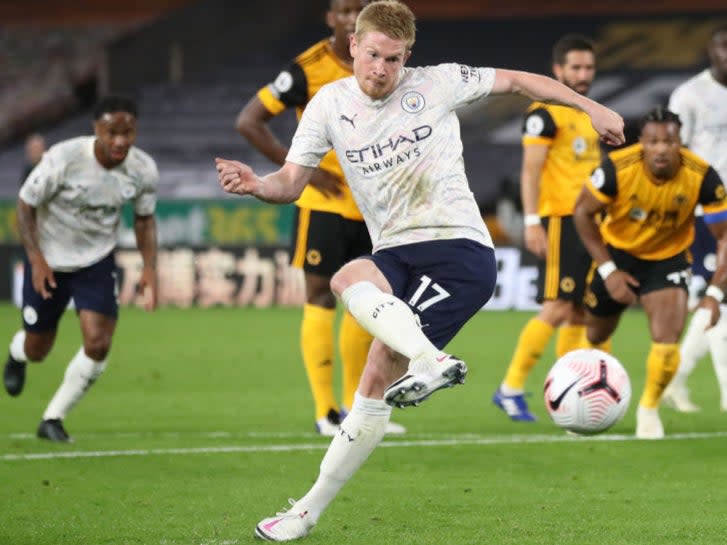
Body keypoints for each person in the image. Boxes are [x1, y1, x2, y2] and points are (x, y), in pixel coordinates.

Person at [216, 1, 624, 540]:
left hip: (459, 253)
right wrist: (256, 184)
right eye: (372, 56)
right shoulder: (327, 105)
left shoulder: (439, 83)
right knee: (348, 290)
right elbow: (290, 184)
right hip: (396, 251)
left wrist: (590, 106)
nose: (380, 69)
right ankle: (316, 501)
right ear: (354, 47)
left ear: (408, 56)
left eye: (392, 58)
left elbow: (523, 81)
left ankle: (314, 500)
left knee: (377, 360)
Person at [235, 0, 406, 436]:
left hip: (374, 207)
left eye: (359, 9)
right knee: (320, 298)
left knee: (367, 304)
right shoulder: (305, 70)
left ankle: (356, 407)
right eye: (344, 10)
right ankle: (325, 410)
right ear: (332, 19)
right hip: (324, 207)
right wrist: (302, 172)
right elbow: (249, 121)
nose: (351, 16)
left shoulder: (387, 63)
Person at [3, 95, 159, 442]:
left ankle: (53, 418)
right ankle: (17, 353)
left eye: (128, 132)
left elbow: (145, 219)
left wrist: (150, 267)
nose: (120, 140)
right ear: (96, 129)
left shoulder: (143, 169)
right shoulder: (64, 158)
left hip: (96, 261)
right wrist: (36, 259)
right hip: (49, 260)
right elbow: (25, 206)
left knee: (99, 342)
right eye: (112, 131)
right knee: (38, 348)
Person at [573, 106, 727, 440]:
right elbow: (583, 213)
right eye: (653, 141)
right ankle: (590, 400)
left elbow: (724, 236)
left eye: (669, 142)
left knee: (667, 338)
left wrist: (715, 293)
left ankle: (649, 407)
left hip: (668, 259)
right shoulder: (616, 168)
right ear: (641, 142)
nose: (661, 149)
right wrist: (610, 271)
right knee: (596, 334)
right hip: (617, 254)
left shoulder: (702, 176)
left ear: (680, 143)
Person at [493, 33, 606, 422]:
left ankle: (569, 390)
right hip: (559, 220)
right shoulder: (544, 112)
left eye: (588, 67)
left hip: (588, 223)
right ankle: (509, 388)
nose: (583, 74)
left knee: (578, 313)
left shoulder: (588, 112)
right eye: (575, 67)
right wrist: (531, 222)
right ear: (558, 70)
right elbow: (530, 171)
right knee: (557, 306)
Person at [661, 24, 727, 412]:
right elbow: (669, 155)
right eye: (723, 46)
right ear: (711, 50)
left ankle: (676, 379)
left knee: (713, 297)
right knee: (719, 297)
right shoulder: (690, 95)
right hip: (706, 212)